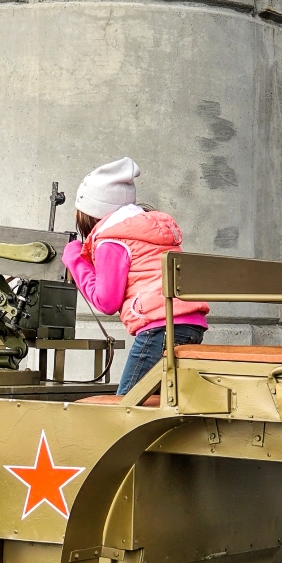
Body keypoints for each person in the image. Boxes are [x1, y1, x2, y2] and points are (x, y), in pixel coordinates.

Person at [60, 158, 208, 396]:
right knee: (159, 405)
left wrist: (75, 258)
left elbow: (106, 302)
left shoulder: (112, 241)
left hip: (159, 330)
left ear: (91, 215)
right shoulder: (147, 232)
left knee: (127, 408)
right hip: (190, 325)